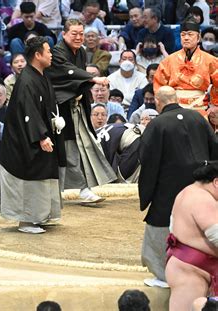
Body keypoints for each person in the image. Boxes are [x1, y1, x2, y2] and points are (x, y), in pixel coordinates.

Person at [139, 86, 217, 288]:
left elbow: (148, 159)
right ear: (176, 98)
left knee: (158, 220)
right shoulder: (198, 118)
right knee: (202, 221)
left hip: (168, 183)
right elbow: (214, 146)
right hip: (201, 180)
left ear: (158, 101)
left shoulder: (157, 124)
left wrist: (147, 192)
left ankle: (163, 274)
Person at [0, 36, 65, 234]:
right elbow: (29, 111)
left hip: (37, 134)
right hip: (23, 141)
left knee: (43, 172)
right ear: (37, 55)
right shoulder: (27, 80)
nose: (51, 54)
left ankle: (40, 215)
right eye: (48, 51)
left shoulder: (40, 75)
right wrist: (42, 136)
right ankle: (26, 221)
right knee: (30, 175)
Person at [46, 19, 116, 205]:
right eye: (74, 34)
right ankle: (59, 191)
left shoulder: (82, 51)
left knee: (83, 146)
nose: (78, 37)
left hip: (76, 107)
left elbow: (76, 76)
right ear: (64, 34)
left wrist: (88, 82)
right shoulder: (57, 52)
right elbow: (67, 72)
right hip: (60, 109)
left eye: (81, 34)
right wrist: (93, 79)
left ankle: (84, 189)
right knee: (66, 150)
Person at [165, 162, 218, 310]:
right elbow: (216, 234)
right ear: (216, 182)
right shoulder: (201, 198)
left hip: (186, 266)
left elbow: (172, 226)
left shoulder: (188, 191)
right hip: (190, 271)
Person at [153, 17, 218, 111]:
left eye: (190, 35)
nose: (186, 38)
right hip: (173, 107)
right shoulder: (169, 60)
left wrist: (215, 104)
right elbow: (159, 85)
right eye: (183, 35)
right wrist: (165, 106)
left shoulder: (210, 60)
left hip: (200, 106)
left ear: (198, 37)